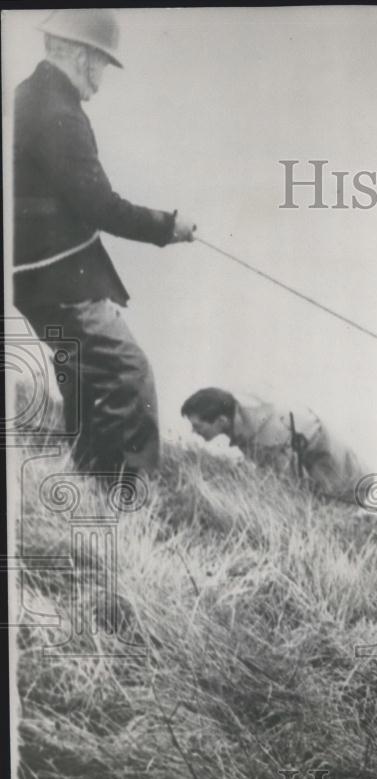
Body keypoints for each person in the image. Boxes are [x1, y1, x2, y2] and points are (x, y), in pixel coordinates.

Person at [13, 9, 196, 473]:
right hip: (60, 281)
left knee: (84, 378)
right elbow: (100, 206)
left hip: (33, 283)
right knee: (128, 374)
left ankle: (95, 484)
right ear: (81, 56)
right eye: (102, 64)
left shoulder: (25, 98)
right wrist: (167, 226)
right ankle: (130, 498)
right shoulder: (59, 113)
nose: (101, 79)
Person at [181, 388, 371, 503]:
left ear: (221, 420)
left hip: (348, 486)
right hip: (343, 475)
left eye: (198, 426)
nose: (194, 431)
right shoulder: (246, 417)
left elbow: (292, 491)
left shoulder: (269, 438)